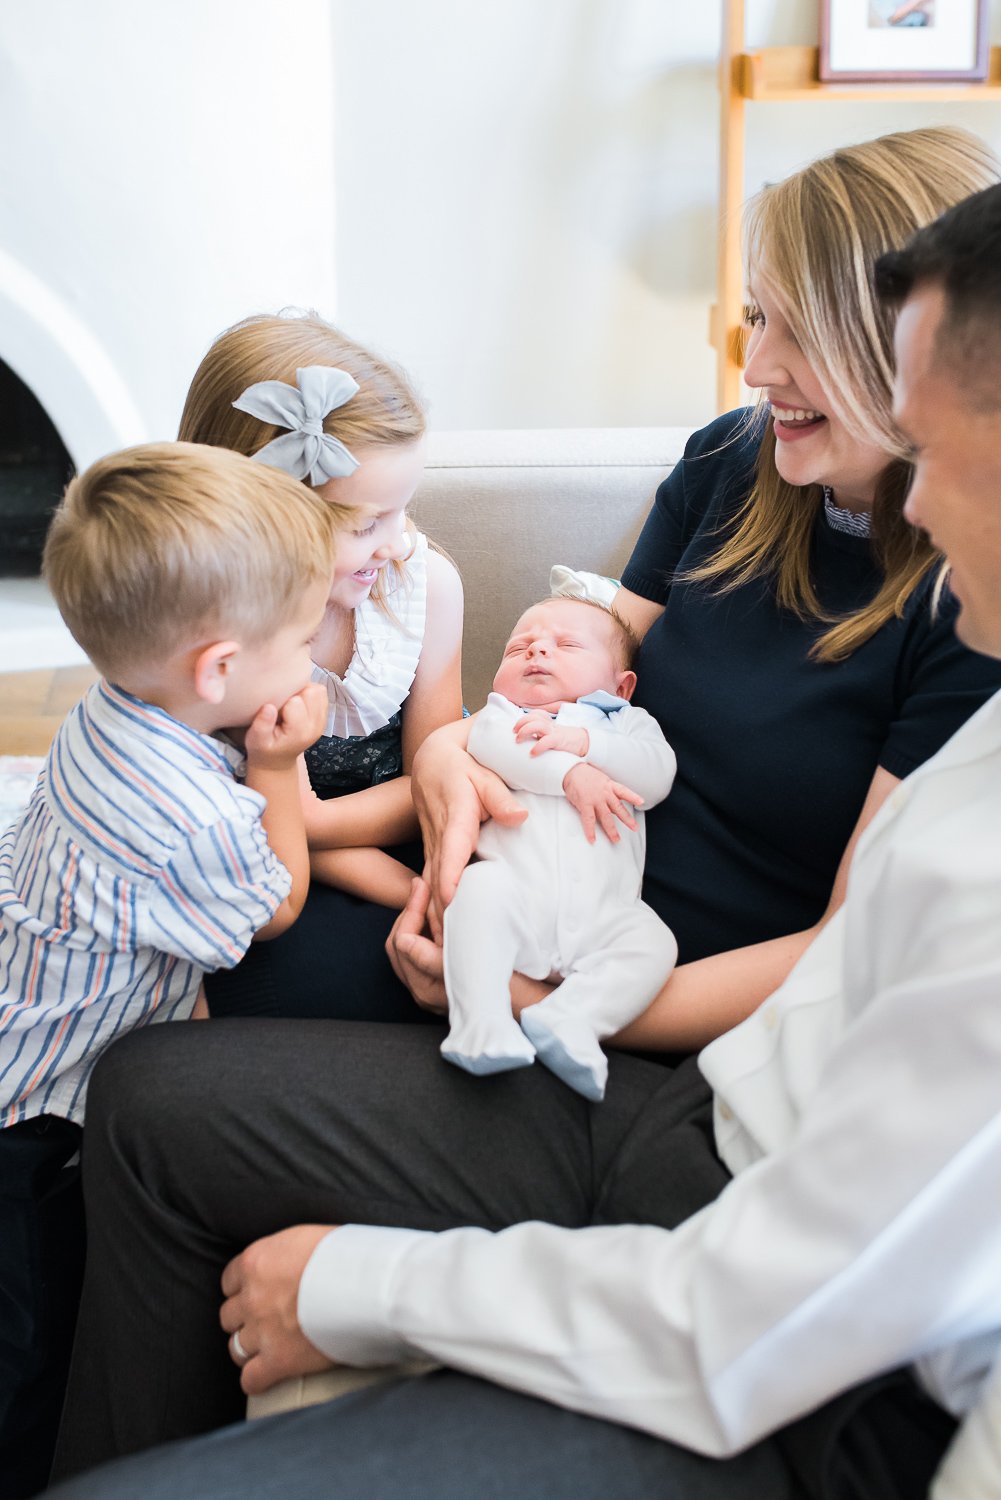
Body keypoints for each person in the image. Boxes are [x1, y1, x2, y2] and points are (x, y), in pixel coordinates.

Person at [45, 177, 1001, 1500]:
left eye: (933, 452)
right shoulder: (741, 469)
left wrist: (370, 1266)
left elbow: (766, 1295)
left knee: (253, 978)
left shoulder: (958, 669)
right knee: (149, 1087)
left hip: (663, 1054)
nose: (922, 516)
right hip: (661, 1050)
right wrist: (457, 775)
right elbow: (562, 674)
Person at [395, 125, 1001, 1055]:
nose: (757, 368)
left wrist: (530, 1002)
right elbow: (582, 660)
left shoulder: (971, 601)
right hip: (525, 886)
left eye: (800, 330)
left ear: (915, 347)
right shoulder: (732, 458)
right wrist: (448, 759)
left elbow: (845, 946)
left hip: (641, 1008)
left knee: (171, 1093)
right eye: (759, 318)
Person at [0, 442, 336, 1497]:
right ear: (219, 672)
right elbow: (277, 905)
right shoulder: (191, 819)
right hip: (31, 1121)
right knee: (29, 1335)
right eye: (299, 638)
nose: (317, 655)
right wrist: (279, 766)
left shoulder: (111, 712)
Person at [178, 313, 464, 1020]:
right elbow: (250, 832)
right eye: (366, 524)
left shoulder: (423, 588)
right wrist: (386, 880)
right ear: (262, 526)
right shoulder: (230, 640)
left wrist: (316, 825)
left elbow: (436, 777)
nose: (395, 544)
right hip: (267, 876)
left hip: (413, 850)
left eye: (403, 511)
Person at [441, 596, 677, 1098]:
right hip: (517, 904)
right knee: (480, 891)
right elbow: (495, 748)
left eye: (566, 644)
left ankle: (572, 1018)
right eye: (518, 648)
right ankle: (480, 1024)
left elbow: (657, 776)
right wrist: (570, 774)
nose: (537, 652)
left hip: (605, 917)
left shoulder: (629, 725)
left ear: (622, 685)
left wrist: (588, 746)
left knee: (655, 944)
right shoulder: (502, 716)